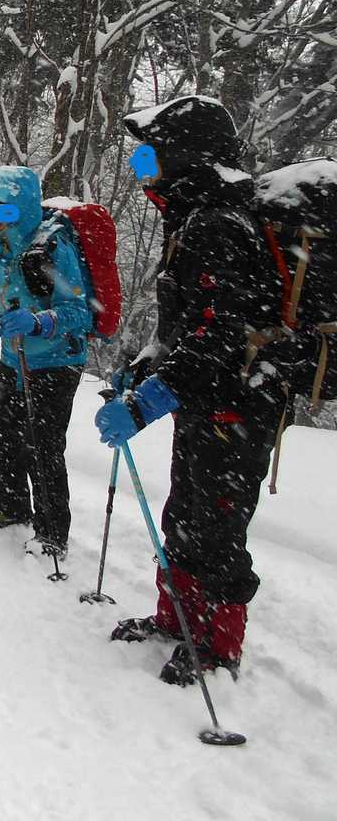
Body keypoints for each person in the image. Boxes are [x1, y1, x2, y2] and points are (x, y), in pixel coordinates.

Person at [96, 94, 285, 685]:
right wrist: (144, 370)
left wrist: (150, 401)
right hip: (207, 401)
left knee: (220, 526)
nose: (143, 170)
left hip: (241, 402)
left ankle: (219, 645)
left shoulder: (219, 224)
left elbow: (218, 334)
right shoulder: (193, 219)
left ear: (187, 157)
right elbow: (184, 326)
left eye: (150, 158)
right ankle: (176, 618)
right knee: (185, 513)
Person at [0, 165, 92, 559]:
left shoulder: (52, 249)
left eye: (2, 214)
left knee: (43, 446)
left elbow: (79, 312)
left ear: (23, 209)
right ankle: (12, 507)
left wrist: (38, 321)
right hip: (14, 359)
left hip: (57, 361)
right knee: (3, 434)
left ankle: (52, 534)